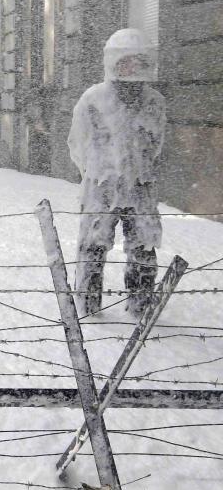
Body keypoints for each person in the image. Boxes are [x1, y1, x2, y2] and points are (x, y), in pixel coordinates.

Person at [68, 28, 166, 318]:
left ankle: (141, 302)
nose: (131, 68)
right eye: (125, 62)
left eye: (137, 62)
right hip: (102, 186)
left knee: (144, 246)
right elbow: (78, 142)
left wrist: (138, 169)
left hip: (141, 186)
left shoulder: (154, 102)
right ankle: (88, 302)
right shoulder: (93, 100)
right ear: (113, 63)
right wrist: (97, 172)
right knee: (93, 245)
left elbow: (156, 143)